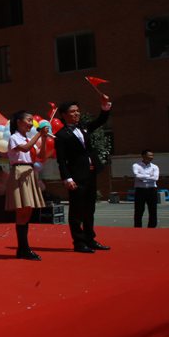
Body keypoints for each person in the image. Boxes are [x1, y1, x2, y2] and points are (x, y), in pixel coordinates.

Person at [55, 95, 112, 253]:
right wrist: (67, 178)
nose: (77, 114)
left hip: (90, 173)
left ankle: (90, 239)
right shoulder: (61, 136)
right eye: (73, 111)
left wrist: (104, 106)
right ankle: (79, 242)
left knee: (89, 208)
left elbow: (101, 120)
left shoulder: (84, 127)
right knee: (76, 210)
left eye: (78, 111)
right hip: (76, 176)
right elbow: (61, 160)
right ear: (64, 115)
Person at [5, 110, 49, 260]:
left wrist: (43, 139)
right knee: (22, 211)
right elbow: (25, 148)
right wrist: (39, 134)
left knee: (27, 211)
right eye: (28, 120)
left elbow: (42, 156)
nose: (31, 123)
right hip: (19, 171)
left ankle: (23, 248)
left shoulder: (28, 138)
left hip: (29, 172)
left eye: (32, 120)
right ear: (19, 122)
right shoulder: (14, 138)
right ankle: (23, 248)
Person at [132, 150, 159, 228]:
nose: (151, 157)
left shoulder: (155, 167)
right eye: (150, 155)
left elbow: (155, 178)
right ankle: (138, 228)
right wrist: (149, 177)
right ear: (143, 156)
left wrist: (143, 178)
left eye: (152, 156)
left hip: (152, 190)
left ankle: (152, 227)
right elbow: (137, 176)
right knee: (139, 210)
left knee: (153, 210)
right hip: (140, 190)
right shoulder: (136, 165)